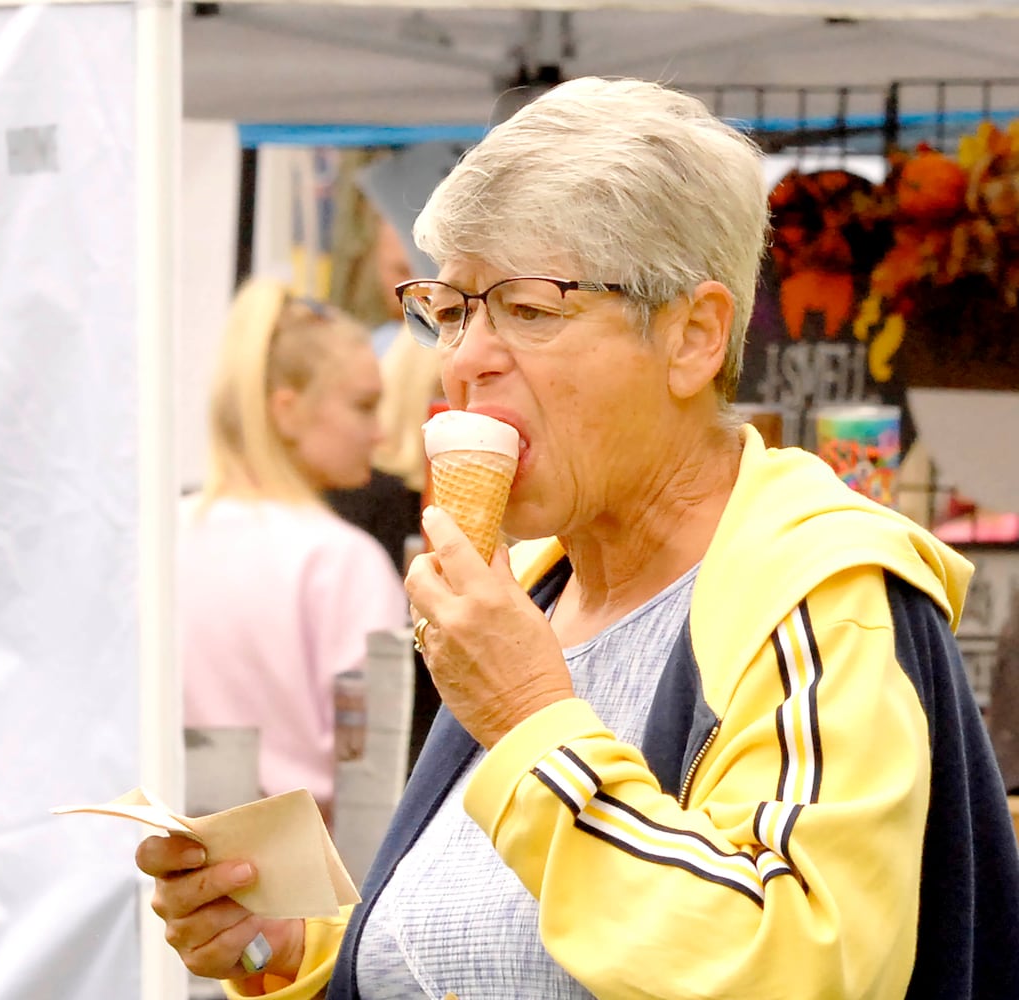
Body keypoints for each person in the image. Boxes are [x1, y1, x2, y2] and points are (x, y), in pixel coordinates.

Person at [139, 79, 1019, 999]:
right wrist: (303, 952)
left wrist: (527, 714)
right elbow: (489, 947)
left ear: (693, 335)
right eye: (452, 308)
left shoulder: (818, 595)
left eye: (527, 308)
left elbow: (791, 964)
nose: (467, 357)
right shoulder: (534, 593)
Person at [180, 277, 407, 825]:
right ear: (286, 410)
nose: (379, 433)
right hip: (310, 874)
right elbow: (370, 775)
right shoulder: (341, 560)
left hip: (175, 861)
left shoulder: (163, 536)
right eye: (363, 406)